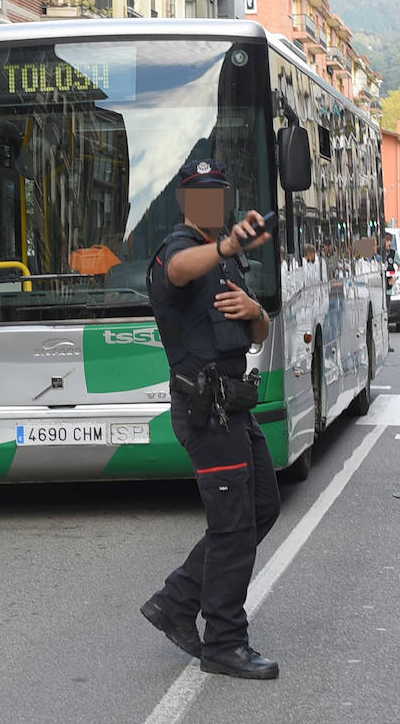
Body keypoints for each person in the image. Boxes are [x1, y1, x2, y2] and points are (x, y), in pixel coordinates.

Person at [141, 158, 281, 681]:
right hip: (205, 411)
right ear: (185, 201)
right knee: (232, 525)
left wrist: (254, 311)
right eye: (200, 193)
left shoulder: (226, 261)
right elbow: (178, 271)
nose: (210, 202)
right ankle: (224, 641)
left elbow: (258, 332)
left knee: (262, 507)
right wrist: (226, 246)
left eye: (217, 192)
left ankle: (177, 600)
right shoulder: (179, 250)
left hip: (234, 408)